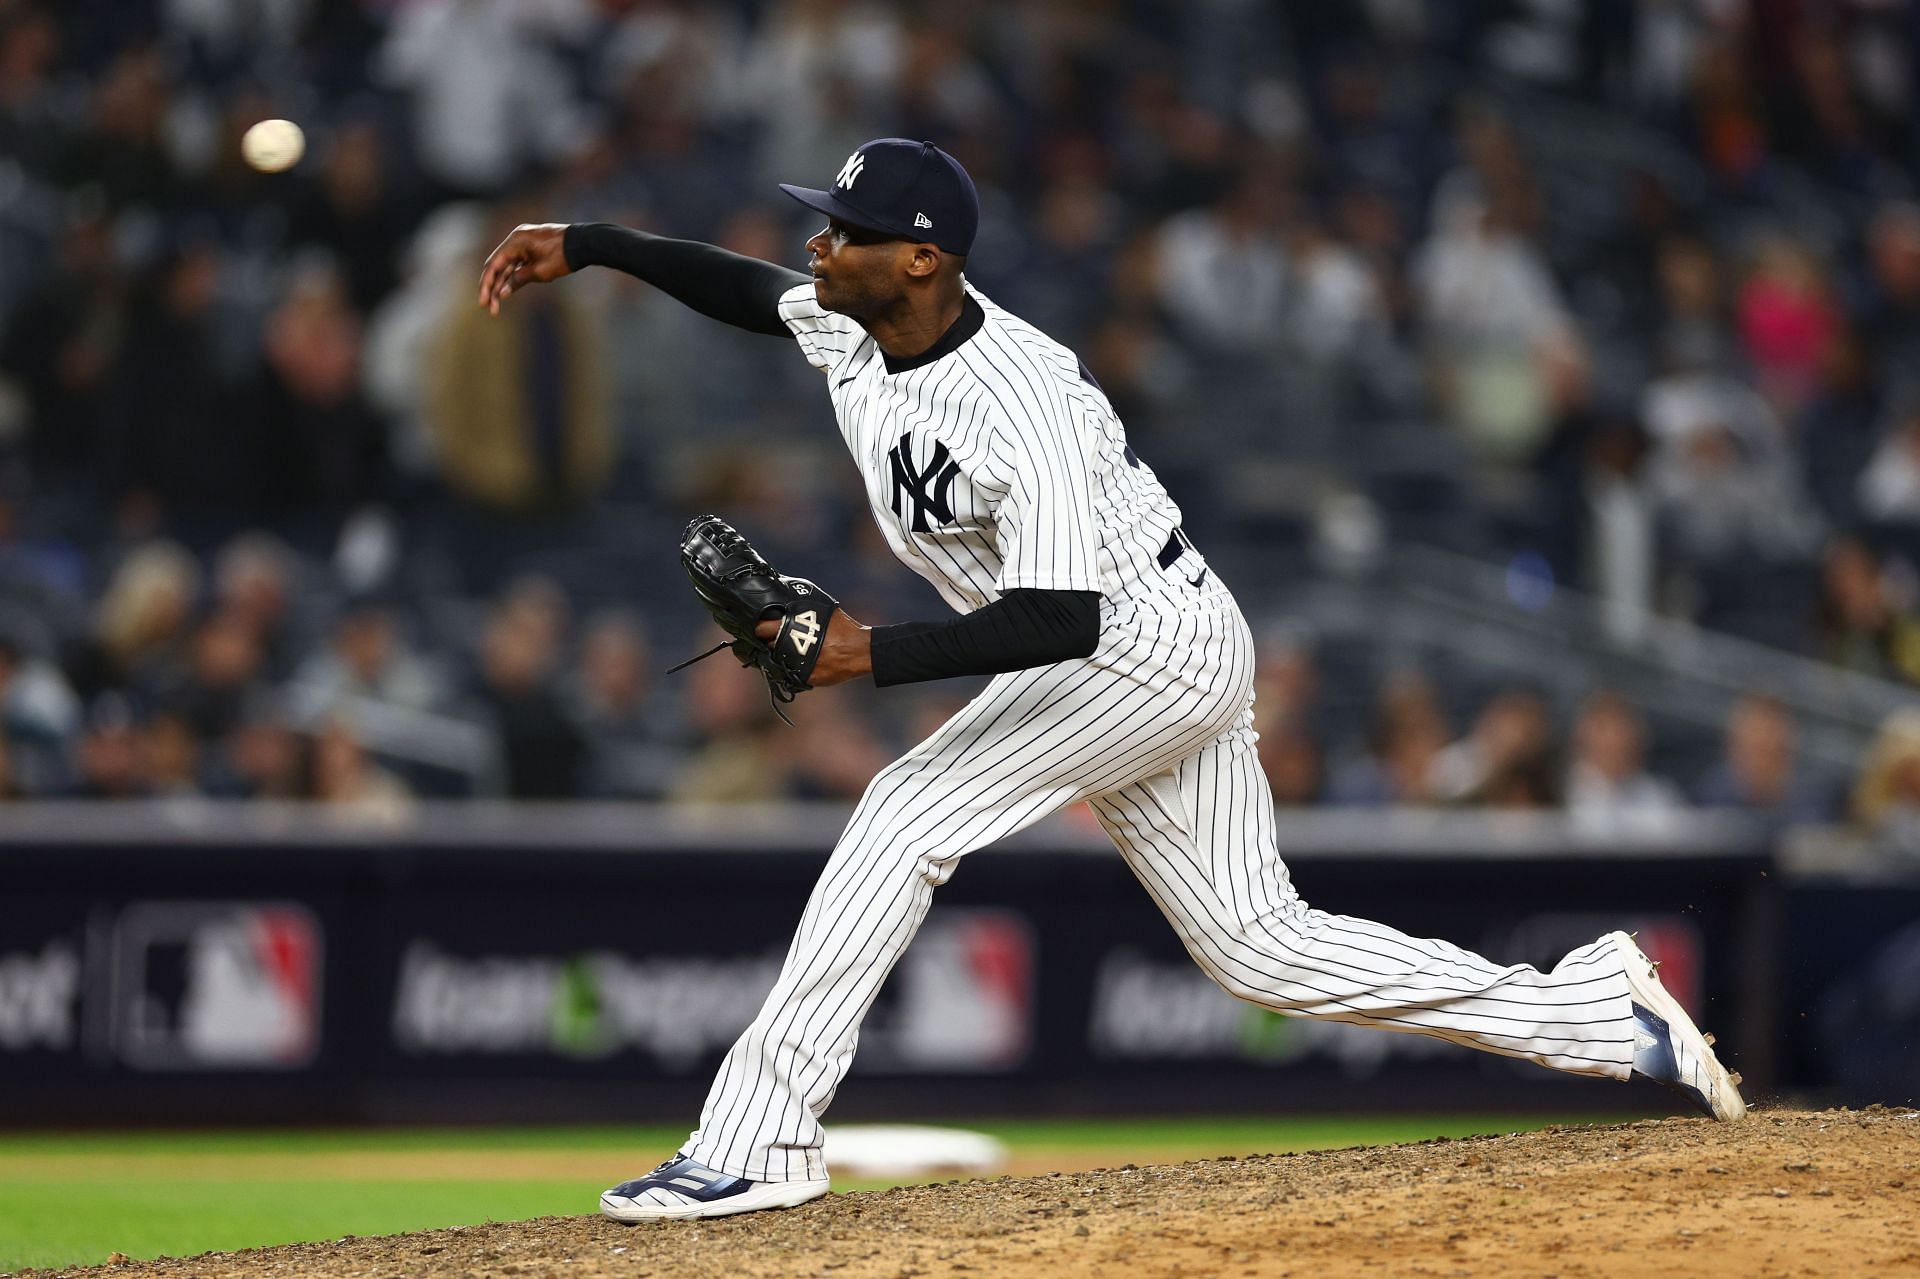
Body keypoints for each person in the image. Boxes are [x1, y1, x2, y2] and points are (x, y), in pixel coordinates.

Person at [477, 137, 1746, 1223]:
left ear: (923, 258)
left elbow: (1059, 616)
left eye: (847, 231)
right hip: (1137, 643)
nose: (820, 245)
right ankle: (1594, 1016)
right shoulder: (853, 326)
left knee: (904, 813)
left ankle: (755, 1143)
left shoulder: (1017, 395)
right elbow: (748, 290)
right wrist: (585, 244)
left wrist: (869, 655)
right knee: (1264, 949)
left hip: (1140, 638)